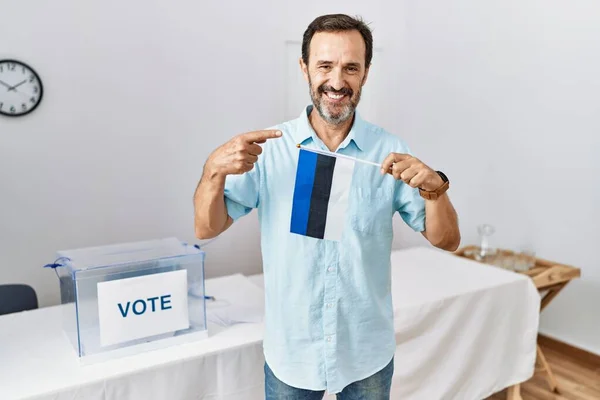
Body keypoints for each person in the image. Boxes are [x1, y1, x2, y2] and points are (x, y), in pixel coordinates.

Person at [193, 13, 460, 400]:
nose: (337, 81)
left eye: (351, 67)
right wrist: (212, 171)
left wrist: (436, 190)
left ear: (366, 73)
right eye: (325, 65)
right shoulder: (271, 148)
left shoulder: (391, 151)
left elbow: (447, 240)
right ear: (304, 68)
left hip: (366, 351)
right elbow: (206, 228)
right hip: (293, 353)